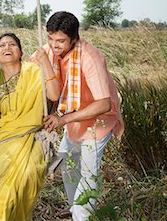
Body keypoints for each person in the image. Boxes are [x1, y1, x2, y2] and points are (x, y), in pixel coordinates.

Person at [41, 11, 124, 221]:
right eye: (50, 39)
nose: (54, 45)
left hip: (99, 120)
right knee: (66, 166)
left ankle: (82, 217)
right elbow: (28, 69)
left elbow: (104, 104)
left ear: (74, 38)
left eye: (60, 41)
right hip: (75, 118)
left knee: (88, 171)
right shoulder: (51, 50)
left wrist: (62, 120)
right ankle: (73, 210)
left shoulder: (89, 57)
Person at [0, 33, 61, 221]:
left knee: (27, 175)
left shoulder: (34, 71)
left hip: (32, 136)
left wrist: (45, 64)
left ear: (21, 52)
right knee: (2, 175)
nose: (7, 48)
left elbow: (53, 95)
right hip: (6, 136)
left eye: (12, 45)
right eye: (2, 46)